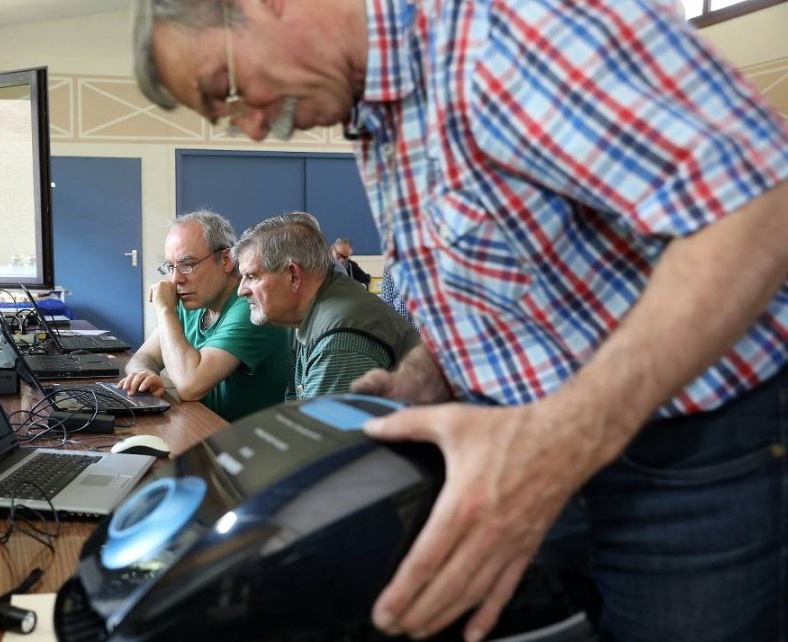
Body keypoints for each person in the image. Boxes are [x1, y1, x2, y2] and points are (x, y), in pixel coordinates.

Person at [132, 1, 788, 640]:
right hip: (536, 445)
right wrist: (424, 374)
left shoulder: (510, 31)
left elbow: (760, 209)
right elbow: (499, 278)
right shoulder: (378, 109)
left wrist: (564, 434)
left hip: (692, 452)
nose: (248, 128)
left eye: (229, 89)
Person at [118, 209, 289, 422]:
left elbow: (190, 386)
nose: (175, 279)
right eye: (170, 267)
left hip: (249, 445)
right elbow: (144, 357)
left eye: (188, 265)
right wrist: (144, 375)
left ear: (226, 259)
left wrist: (164, 310)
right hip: (203, 428)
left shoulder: (250, 306)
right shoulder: (193, 300)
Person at [233, 212, 421, 401]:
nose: (241, 290)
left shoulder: (339, 338)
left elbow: (315, 428)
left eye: (251, 276)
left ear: (294, 276)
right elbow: (295, 405)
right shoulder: (309, 310)